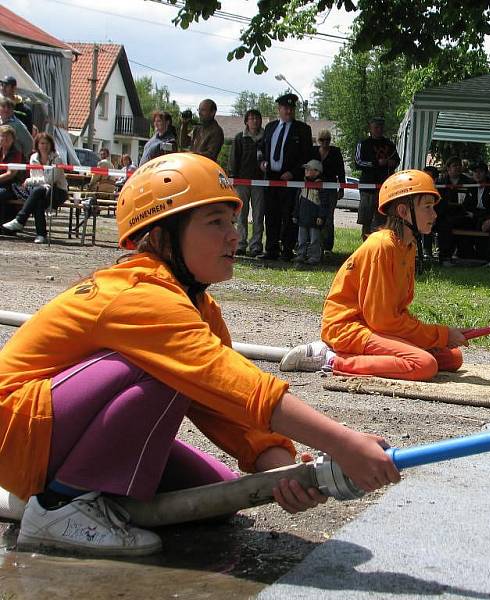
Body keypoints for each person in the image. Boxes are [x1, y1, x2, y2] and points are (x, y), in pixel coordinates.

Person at [0, 152, 399, 557]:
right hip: (15, 432)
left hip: (46, 436)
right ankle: (57, 507)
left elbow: (224, 402)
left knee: (216, 497)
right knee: (160, 370)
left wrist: (279, 468)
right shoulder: (140, 294)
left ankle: (46, 493)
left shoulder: (199, 308)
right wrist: (345, 443)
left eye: (232, 220)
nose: (234, 234)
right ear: (159, 235)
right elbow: (228, 378)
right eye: (215, 222)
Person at [279, 169, 469, 381]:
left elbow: (394, 314)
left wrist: (441, 336)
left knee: (452, 358)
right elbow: (382, 321)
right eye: (427, 208)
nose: (434, 215)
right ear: (404, 211)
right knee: (424, 364)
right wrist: (440, 334)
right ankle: (331, 359)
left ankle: (361, 356)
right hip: (350, 328)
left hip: (374, 326)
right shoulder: (382, 246)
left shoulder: (408, 246)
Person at [259, 93, 313, 261]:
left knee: (289, 216)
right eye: (285, 108)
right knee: (271, 215)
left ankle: (287, 250)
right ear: (279, 109)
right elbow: (260, 148)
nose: (288, 111)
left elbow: (306, 156)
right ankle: (271, 249)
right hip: (271, 178)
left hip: (290, 179)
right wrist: (261, 162)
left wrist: (293, 172)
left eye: (291, 108)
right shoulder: (270, 127)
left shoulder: (303, 129)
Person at [1, 132, 68, 244]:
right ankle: (40, 235)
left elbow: (50, 180)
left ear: (51, 145)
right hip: (40, 191)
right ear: (37, 145)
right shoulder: (33, 158)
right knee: (38, 201)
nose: (44, 146)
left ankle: (20, 220)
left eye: (47, 143)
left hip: (58, 191)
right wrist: (33, 181)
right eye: (42, 143)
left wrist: (28, 181)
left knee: (38, 191)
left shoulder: (57, 159)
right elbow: (36, 178)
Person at [228, 109, 265, 257]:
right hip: (242, 181)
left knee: (258, 215)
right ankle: (240, 243)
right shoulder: (239, 138)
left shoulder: (265, 137)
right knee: (241, 215)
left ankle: (256, 245)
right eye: (251, 118)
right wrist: (233, 178)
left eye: (257, 118)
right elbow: (233, 159)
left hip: (261, 182)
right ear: (246, 121)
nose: (254, 121)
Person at [355, 117, 398, 239]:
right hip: (367, 188)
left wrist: (391, 162)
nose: (379, 130)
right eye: (376, 127)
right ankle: (365, 246)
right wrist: (376, 163)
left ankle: (380, 245)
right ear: (371, 128)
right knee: (366, 220)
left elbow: (397, 160)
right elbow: (358, 162)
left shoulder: (389, 144)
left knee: (382, 220)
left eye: (381, 127)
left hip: (385, 188)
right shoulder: (363, 144)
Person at [435, 157, 475, 266]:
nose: (457, 168)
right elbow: (438, 201)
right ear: (448, 168)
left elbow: (471, 201)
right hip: (445, 215)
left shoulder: (469, 182)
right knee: (444, 224)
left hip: (462, 215)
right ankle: (445, 257)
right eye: (454, 165)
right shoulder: (441, 181)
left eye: (459, 165)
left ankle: (464, 256)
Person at [313, 129, 346, 254]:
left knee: (328, 218)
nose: (325, 143)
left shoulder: (335, 152)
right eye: (322, 140)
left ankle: (327, 247)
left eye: (327, 140)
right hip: (315, 189)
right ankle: (316, 245)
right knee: (315, 217)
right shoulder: (313, 151)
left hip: (331, 189)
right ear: (318, 141)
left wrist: (342, 188)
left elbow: (341, 171)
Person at [292, 159, 329, 265]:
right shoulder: (303, 184)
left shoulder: (321, 186)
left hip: (315, 218)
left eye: (309, 169)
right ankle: (300, 255)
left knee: (315, 239)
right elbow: (297, 200)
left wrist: (321, 216)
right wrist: (295, 214)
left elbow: (324, 203)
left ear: (317, 172)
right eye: (306, 169)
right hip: (302, 217)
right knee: (301, 238)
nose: (306, 171)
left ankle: (314, 257)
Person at [0, 125, 25, 219]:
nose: (5, 139)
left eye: (8, 136)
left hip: (12, 185)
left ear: (13, 139)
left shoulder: (16, 154)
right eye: (2, 136)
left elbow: (11, 174)